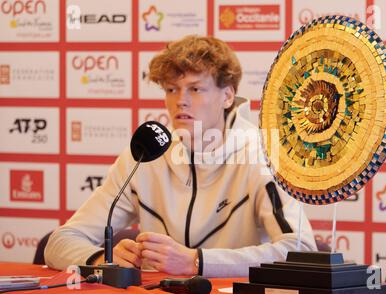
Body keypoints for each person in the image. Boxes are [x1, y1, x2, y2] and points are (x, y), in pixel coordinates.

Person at [45, 35, 317, 277]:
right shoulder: (145, 154)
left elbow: (300, 251)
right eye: (171, 89)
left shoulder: (261, 153)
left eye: (195, 89)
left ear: (227, 96)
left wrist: (197, 262)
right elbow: (61, 241)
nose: (180, 101)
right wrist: (100, 258)